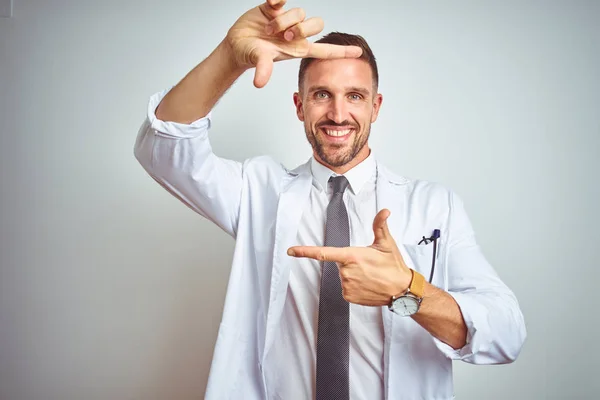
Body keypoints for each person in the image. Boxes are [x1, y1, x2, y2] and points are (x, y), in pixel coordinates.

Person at [134, 0, 527, 399]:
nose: (338, 114)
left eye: (355, 96)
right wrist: (229, 58)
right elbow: (163, 151)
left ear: (375, 107)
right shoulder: (260, 190)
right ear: (299, 105)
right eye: (322, 94)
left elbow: (506, 334)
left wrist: (407, 290)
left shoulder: (434, 204)